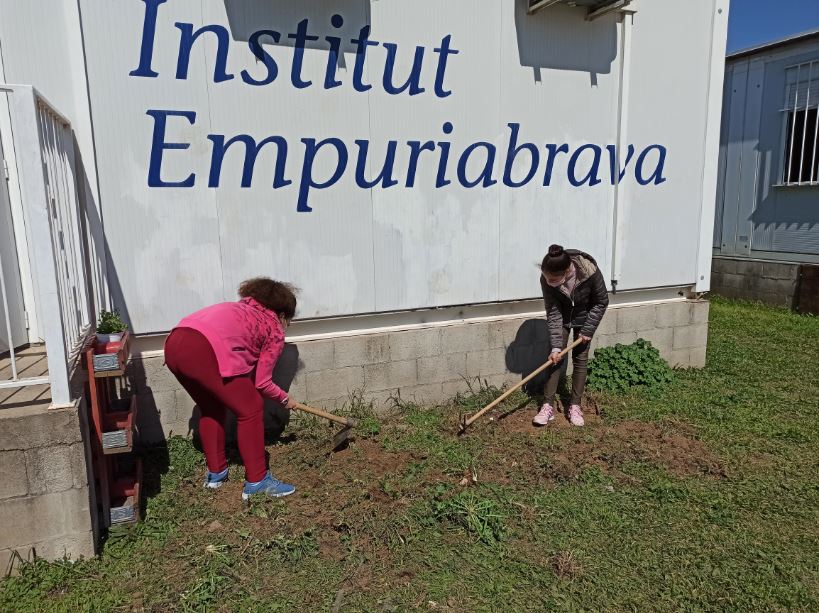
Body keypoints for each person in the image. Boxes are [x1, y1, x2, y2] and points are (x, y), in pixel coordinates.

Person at [164, 277, 299, 502]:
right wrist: (285, 399)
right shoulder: (273, 326)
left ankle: (216, 474)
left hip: (174, 343)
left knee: (211, 407)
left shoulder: (239, 309)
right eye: (288, 319)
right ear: (282, 313)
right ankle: (258, 481)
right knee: (251, 408)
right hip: (202, 349)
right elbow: (262, 383)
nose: (287, 325)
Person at [534, 245, 609, 427]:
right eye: (546, 278)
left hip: (586, 316)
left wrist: (588, 329)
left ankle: (575, 405)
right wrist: (556, 345)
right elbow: (553, 311)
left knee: (580, 359)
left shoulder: (589, 272)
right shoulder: (547, 277)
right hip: (562, 317)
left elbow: (601, 301)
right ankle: (547, 406)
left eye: (553, 279)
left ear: (567, 271)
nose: (548, 282)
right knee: (555, 358)